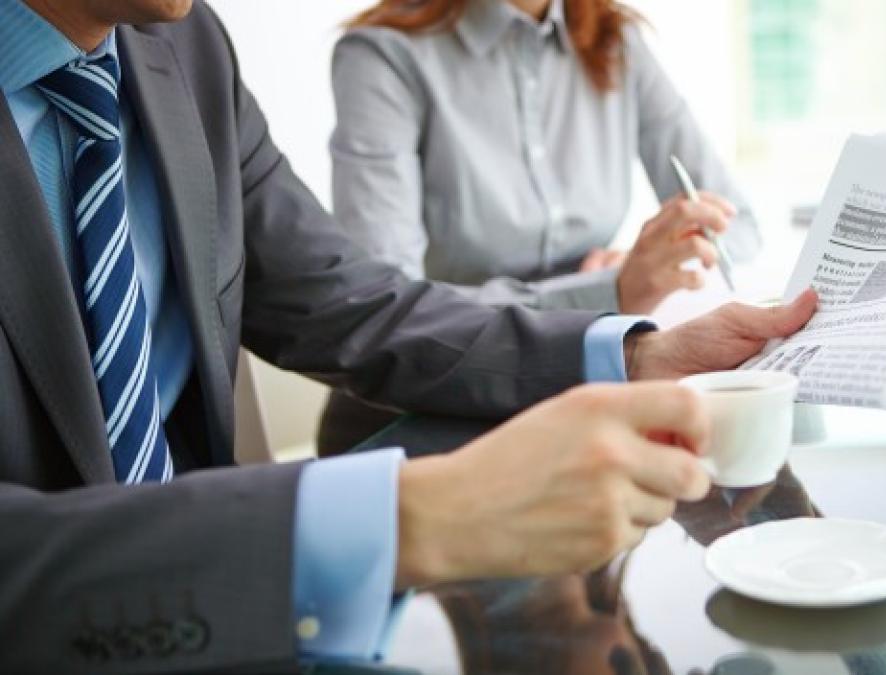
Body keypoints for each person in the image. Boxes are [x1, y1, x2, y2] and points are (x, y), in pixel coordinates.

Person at [0, 0, 818, 673]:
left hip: (236, 616)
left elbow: (352, 302)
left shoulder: (187, 47)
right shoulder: (380, 54)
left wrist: (634, 351)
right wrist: (413, 517)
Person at [319, 0, 763, 453]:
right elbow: (389, 308)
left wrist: (641, 268)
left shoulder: (616, 38)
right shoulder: (384, 54)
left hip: (576, 396)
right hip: (417, 415)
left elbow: (738, 227)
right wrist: (606, 291)